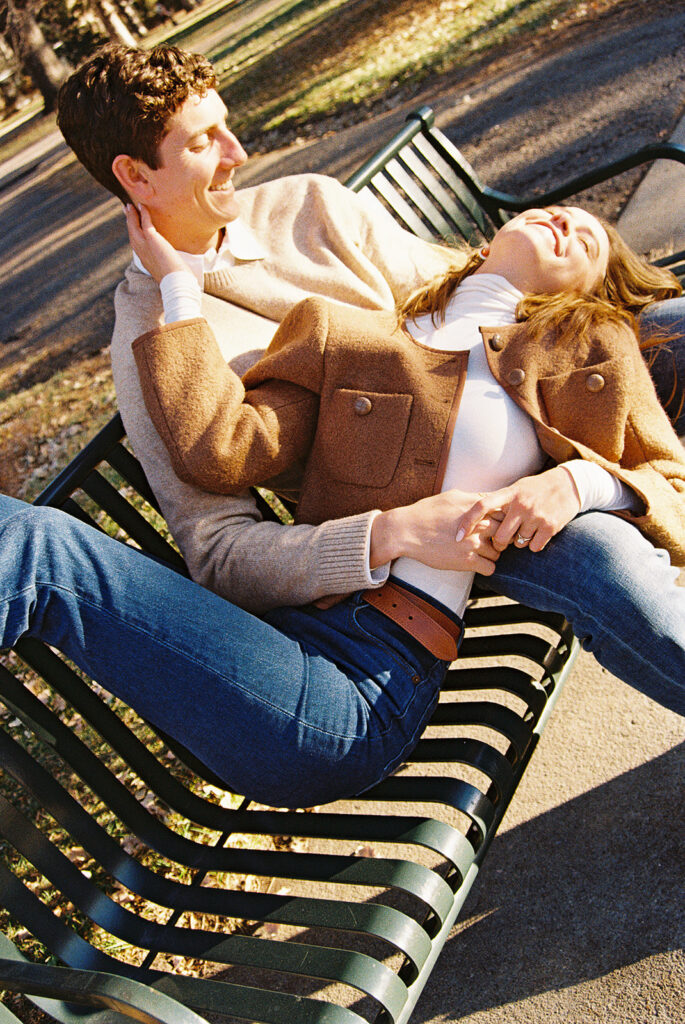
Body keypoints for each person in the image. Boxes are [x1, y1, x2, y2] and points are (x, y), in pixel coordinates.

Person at [2, 43, 682, 805]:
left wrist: (601, 322)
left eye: (226, 126)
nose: (237, 153)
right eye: (202, 143)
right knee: (595, 545)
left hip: (500, 442)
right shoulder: (151, 343)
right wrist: (388, 532)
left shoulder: (310, 206)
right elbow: (222, 552)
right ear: (135, 177)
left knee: (674, 329)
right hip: (395, 558)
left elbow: (469, 298)